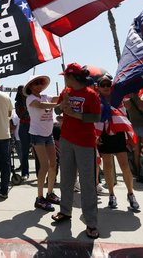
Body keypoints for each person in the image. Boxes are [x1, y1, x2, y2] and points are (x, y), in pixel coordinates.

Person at [51, 63, 101, 240]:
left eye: (65, 76)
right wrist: (61, 106)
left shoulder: (91, 94)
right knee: (66, 178)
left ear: (72, 77)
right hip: (66, 140)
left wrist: (75, 114)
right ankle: (65, 211)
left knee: (87, 183)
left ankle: (91, 222)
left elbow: (96, 117)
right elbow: (57, 109)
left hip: (85, 143)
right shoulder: (66, 92)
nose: (64, 79)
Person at [95, 76, 140, 211]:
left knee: (124, 165)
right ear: (98, 87)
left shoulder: (119, 99)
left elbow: (125, 118)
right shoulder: (96, 101)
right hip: (103, 135)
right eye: (102, 85)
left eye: (108, 84)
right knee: (107, 166)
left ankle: (131, 194)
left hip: (118, 134)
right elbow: (94, 120)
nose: (106, 87)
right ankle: (111, 195)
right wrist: (96, 136)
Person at [23, 75, 61, 212]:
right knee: (44, 166)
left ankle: (50, 193)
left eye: (40, 83)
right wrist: (58, 104)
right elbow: (41, 106)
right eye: (35, 83)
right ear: (30, 87)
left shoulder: (45, 96)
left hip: (48, 134)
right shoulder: (30, 99)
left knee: (53, 164)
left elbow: (58, 97)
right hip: (37, 135)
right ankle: (39, 198)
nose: (39, 85)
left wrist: (69, 91)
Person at [15, 86, 33, 179]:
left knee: (37, 151)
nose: (22, 91)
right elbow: (20, 115)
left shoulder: (32, 99)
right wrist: (27, 107)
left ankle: (39, 173)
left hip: (34, 125)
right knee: (24, 151)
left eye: (23, 89)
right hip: (24, 126)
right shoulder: (18, 103)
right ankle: (25, 173)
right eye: (20, 90)